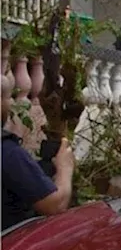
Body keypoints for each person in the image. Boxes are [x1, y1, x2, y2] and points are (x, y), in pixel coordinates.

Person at [2, 72, 75, 230]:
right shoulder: (8, 153)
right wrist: (65, 168)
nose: (11, 104)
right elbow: (54, 205)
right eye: (8, 98)